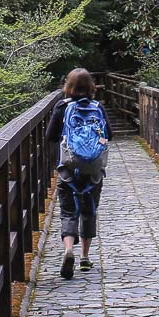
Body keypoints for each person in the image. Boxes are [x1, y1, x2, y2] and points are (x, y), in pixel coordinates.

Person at [54, 68, 110, 279]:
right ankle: (85, 258)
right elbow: (109, 136)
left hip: (68, 169)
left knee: (68, 212)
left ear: (68, 87)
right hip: (93, 171)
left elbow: (51, 136)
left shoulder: (62, 107)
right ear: (91, 87)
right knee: (89, 210)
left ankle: (69, 249)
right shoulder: (98, 108)